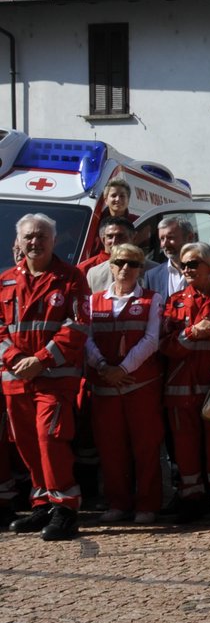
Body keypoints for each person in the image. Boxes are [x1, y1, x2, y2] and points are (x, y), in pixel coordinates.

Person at [2, 214, 91, 540]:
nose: (34, 242)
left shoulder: (71, 278)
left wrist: (40, 360)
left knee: (49, 440)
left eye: (41, 236)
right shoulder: (6, 280)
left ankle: (66, 510)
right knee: (26, 444)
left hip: (54, 378)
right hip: (16, 379)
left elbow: (78, 326)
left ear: (53, 240)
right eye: (28, 237)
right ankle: (42, 505)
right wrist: (14, 359)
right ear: (20, 241)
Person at [87, 242, 167, 524]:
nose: (125, 268)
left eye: (132, 264)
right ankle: (118, 503)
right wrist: (102, 366)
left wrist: (122, 368)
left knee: (145, 448)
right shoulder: (93, 301)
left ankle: (147, 504)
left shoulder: (152, 299)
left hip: (140, 387)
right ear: (110, 266)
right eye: (120, 262)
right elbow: (86, 338)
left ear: (140, 269)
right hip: (105, 387)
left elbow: (151, 340)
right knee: (110, 449)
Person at [161, 242, 210, 522]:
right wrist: (192, 333)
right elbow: (165, 345)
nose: (188, 269)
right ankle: (191, 496)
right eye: (184, 264)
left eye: (194, 263)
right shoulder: (175, 301)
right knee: (184, 445)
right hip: (181, 386)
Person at [83, 217, 149, 293]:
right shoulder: (93, 274)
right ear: (103, 240)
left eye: (120, 236)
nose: (115, 241)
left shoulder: (154, 271)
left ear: (134, 238)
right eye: (110, 237)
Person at [81, 179, 133, 268]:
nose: (118, 199)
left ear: (128, 200)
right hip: (97, 267)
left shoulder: (137, 221)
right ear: (106, 200)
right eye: (113, 195)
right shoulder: (94, 221)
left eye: (122, 196)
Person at [142, 216, 196, 299]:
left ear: (189, 238)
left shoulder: (206, 271)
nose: (164, 244)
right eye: (162, 239)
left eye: (170, 237)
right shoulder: (152, 276)